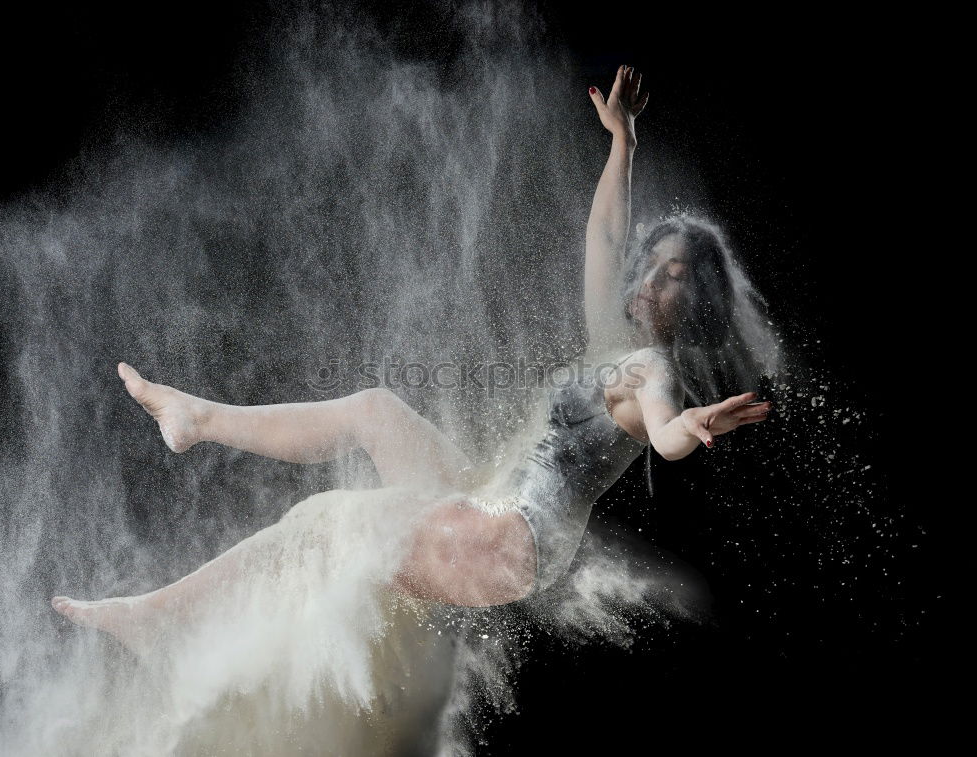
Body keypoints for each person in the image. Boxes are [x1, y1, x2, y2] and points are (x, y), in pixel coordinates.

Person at [51, 64, 776, 651]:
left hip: (508, 541)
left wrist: (694, 423)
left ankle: (161, 619)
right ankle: (196, 414)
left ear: (699, 305)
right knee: (374, 410)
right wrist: (624, 142)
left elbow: (667, 431)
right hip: (493, 507)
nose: (651, 275)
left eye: (677, 274)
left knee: (326, 520)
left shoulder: (654, 372)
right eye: (657, 262)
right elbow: (605, 238)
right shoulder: (608, 351)